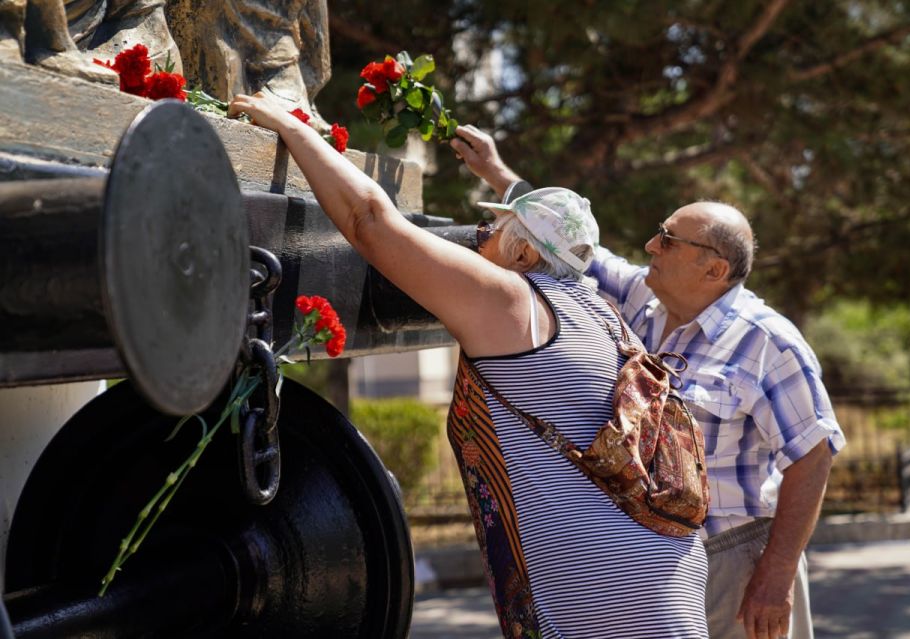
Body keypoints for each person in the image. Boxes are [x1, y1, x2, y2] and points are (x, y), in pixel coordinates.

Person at [229, 93, 709, 638]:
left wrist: (294, 131)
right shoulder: (600, 313)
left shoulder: (511, 301)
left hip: (606, 601)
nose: (480, 240)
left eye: (495, 230)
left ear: (525, 256)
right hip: (663, 575)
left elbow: (369, 222)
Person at [451, 125, 846, 639]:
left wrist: (776, 574)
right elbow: (563, 240)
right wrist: (497, 173)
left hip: (735, 557)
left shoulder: (769, 343)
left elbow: (813, 457)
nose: (650, 245)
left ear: (714, 269)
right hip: (659, 560)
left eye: (669, 240)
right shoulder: (645, 297)